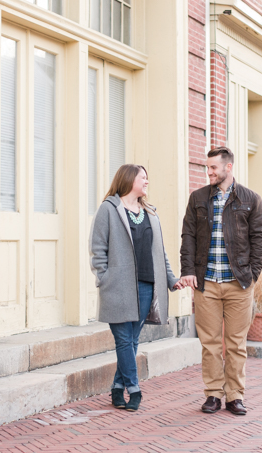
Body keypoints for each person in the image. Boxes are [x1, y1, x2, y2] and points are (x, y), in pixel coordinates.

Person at [178, 146, 262, 416]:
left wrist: (252, 275)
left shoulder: (250, 199)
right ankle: (213, 394)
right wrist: (188, 270)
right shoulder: (198, 198)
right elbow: (188, 236)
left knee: (236, 343)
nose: (209, 172)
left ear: (228, 168)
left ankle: (235, 395)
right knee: (210, 344)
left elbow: (259, 239)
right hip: (206, 283)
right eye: (208, 167)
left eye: (213, 168)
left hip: (239, 283)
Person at [90, 164, 185, 412]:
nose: (147, 182)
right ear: (130, 179)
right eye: (143, 177)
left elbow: (160, 253)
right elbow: (98, 250)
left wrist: (171, 279)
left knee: (131, 341)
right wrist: (104, 279)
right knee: (124, 340)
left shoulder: (150, 213)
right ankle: (134, 389)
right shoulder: (108, 210)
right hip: (118, 289)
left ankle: (116, 389)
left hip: (146, 286)